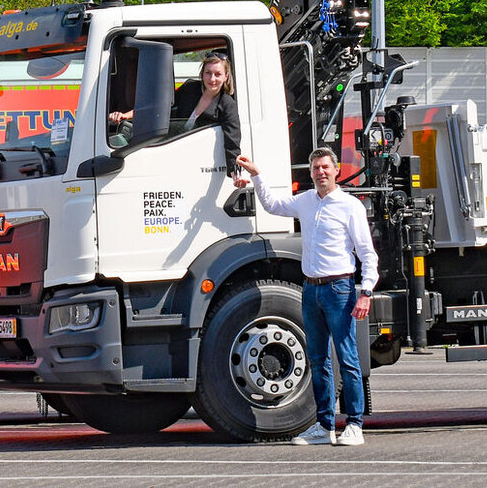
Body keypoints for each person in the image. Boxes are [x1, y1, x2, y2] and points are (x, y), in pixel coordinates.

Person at [235, 147, 378, 446]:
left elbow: (366, 253)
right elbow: (273, 205)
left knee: (347, 357)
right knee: (317, 358)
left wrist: (365, 292)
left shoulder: (350, 206)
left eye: (325, 167)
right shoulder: (305, 202)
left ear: (336, 170)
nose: (320, 172)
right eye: (315, 168)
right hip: (310, 289)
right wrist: (257, 175)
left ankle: (354, 425)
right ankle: (324, 426)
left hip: (340, 289)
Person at [108, 51, 242, 177]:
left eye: (217, 74)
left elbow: (232, 142)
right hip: (172, 149)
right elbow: (160, 107)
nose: (212, 78)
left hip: (198, 162)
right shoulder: (190, 88)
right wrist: (126, 116)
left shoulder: (228, 105)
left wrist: (235, 173)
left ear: (226, 76)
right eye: (208, 73)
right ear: (202, 74)